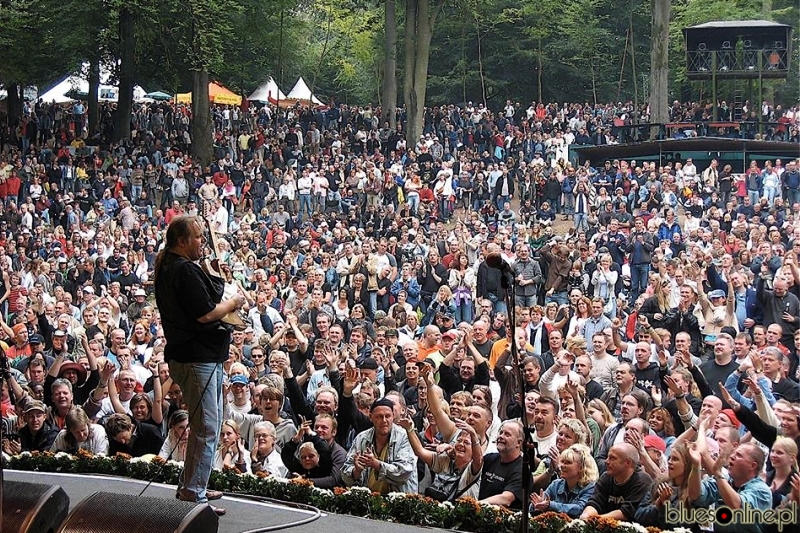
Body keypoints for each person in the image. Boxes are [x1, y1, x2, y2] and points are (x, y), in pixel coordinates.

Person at [154, 215, 246, 515]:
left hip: (197, 357)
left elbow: (204, 298)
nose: (202, 243)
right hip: (197, 359)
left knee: (210, 425)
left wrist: (215, 277)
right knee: (206, 427)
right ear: (181, 241)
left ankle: (194, 485)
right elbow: (206, 313)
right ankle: (193, 493)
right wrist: (233, 305)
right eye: (197, 238)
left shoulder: (173, 267)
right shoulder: (182, 269)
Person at [580, 443, 653, 521]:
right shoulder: (606, 477)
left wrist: (597, 519)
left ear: (628, 463)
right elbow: (595, 502)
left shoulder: (642, 480)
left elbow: (628, 512)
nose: (606, 461)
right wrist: (586, 515)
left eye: (612, 458)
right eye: (607, 457)